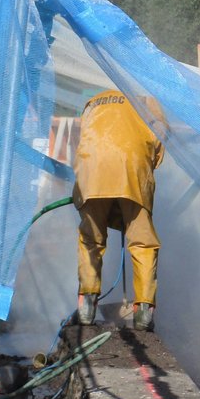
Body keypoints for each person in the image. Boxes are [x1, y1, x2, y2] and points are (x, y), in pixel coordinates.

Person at [72, 89, 165, 331]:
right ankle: (143, 313)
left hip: (90, 170)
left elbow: (83, 140)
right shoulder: (149, 103)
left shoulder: (92, 101)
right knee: (143, 242)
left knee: (91, 240)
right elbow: (157, 145)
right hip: (131, 169)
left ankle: (86, 307)